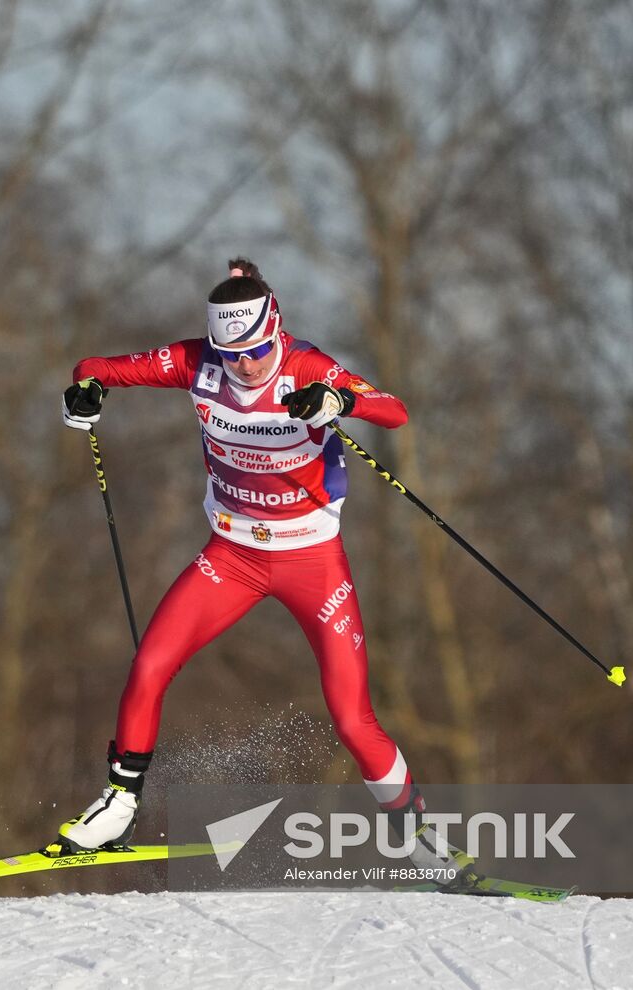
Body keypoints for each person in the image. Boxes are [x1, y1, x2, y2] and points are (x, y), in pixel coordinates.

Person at [52, 258, 466, 877]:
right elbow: (97, 368)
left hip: (311, 560)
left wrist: (338, 399)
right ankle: (119, 805)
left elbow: (394, 410)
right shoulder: (198, 363)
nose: (243, 363)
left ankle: (418, 836)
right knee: (150, 664)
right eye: (230, 351)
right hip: (233, 555)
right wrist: (85, 392)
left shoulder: (307, 367)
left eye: (254, 349)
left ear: (275, 327)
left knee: (352, 716)